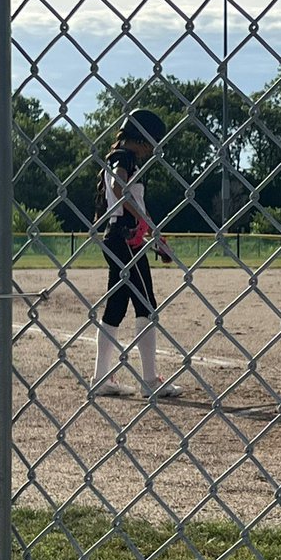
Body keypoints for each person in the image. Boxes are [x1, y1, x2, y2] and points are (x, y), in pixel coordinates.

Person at [90, 108, 183, 398]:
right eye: (152, 141)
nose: (153, 148)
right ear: (142, 138)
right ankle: (150, 381)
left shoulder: (117, 157)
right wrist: (142, 224)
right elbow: (120, 188)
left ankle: (101, 378)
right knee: (147, 306)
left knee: (116, 308)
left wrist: (154, 235)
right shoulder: (124, 157)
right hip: (125, 241)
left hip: (120, 238)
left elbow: (127, 201)